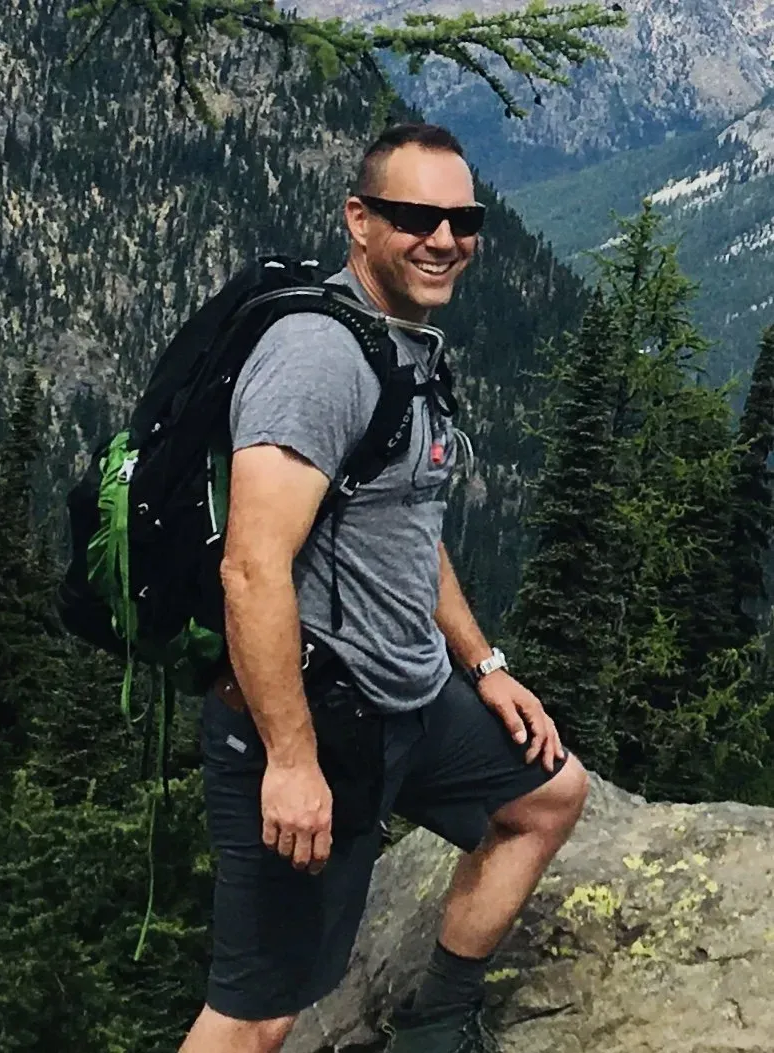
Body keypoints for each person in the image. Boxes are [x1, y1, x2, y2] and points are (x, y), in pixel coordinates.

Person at [180, 122, 589, 1053]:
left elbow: (409, 524)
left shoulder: (401, 342)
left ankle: (434, 1026)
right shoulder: (318, 358)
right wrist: (289, 763)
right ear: (359, 219)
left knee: (547, 796)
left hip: (406, 699)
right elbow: (249, 565)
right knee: (257, 1013)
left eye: (462, 217)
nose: (443, 239)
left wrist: (481, 662)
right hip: (310, 721)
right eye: (414, 216)